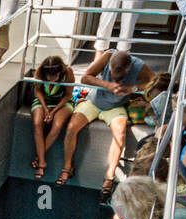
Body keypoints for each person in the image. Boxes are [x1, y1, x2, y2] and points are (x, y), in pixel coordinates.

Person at [57, 49, 154, 197]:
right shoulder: (107, 56)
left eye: (120, 77)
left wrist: (133, 89)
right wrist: (107, 85)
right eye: (113, 75)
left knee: (120, 133)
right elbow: (85, 78)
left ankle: (109, 176)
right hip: (94, 101)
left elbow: (154, 83)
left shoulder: (139, 66)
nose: (116, 80)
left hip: (116, 107)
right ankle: (67, 166)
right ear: (109, 66)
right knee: (71, 128)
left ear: (128, 70)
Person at [29, 56, 75, 177]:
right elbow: (38, 91)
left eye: (54, 77)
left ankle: (39, 158)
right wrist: (45, 108)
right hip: (43, 100)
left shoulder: (68, 72)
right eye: (48, 77)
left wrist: (53, 112)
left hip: (62, 102)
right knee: (37, 123)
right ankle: (42, 162)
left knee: (57, 125)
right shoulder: (40, 71)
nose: (51, 80)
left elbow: (68, 95)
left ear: (60, 72)